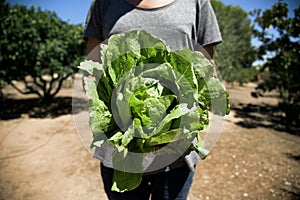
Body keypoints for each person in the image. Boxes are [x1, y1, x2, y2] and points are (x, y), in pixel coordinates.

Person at [83, 0, 222, 199]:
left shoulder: (197, 2)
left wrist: (179, 129)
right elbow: (92, 70)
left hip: (177, 156)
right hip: (119, 154)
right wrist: (114, 121)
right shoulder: (104, 3)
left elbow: (207, 70)